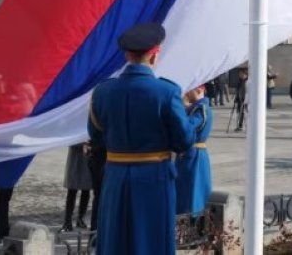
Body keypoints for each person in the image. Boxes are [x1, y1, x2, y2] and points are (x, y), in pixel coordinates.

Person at [88, 23, 195, 254]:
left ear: (126, 55)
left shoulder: (102, 92)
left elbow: (95, 135)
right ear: (155, 55)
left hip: (115, 175)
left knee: (114, 240)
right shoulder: (167, 92)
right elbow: (185, 140)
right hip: (154, 176)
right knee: (152, 241)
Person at [176, 85, 213, 215]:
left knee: (193, 193)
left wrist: (179, 111)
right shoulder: (195, 108)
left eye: (189, 90)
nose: (186, 93)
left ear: (198, 89)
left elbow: (188, 126)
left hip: (195, 156)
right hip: (190, 154)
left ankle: (192, 222)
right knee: (186, 191)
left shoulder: (201, 109)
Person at [59, 143, 93, 232]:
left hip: (87, 158)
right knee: (72, 191)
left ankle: (80, 219)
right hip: (75, 159)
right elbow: (71, 139)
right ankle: (67, 221)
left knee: (86, 190)